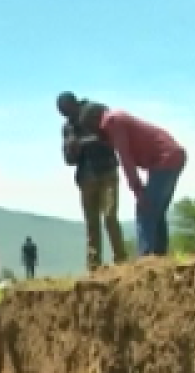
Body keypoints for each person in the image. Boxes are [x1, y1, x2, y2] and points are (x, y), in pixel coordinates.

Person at [79, 102, 187, 258]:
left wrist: (137, 189)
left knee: (145, 209)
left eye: (90, 127)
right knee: (155, 211)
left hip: (165, 158)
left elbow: (125, 157)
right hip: (170, 157)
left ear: (94, 119)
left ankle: (146, 258)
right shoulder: (116, 120)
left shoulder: (112, 120)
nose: (94, 132)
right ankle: (159, 257)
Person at [57, 92, 127, 272]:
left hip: (107, 172)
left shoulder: (95, 111)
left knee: (110, 217)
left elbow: (113, 133)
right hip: (86, 178)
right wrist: (73, 148)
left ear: (73, 103)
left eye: (66, 110)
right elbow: (69, 160)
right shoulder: (68, 128)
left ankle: (121, 260)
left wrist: (92, 139)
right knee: (92, 224)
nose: (65, 115)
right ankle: (94, 267)